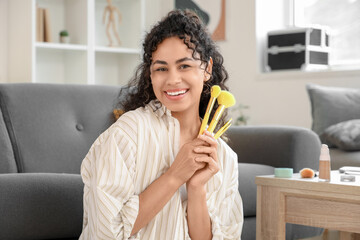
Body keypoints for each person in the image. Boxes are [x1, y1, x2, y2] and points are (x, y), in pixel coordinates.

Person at [79, 9, 243, 240]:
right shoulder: (128, 134)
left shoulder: (223, 157)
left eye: (184, 66)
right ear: (151, 74)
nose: (172, 79)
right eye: (161, 68)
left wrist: (196, 188)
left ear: (207, 69)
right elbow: (106, 232)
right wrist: (175, 175)